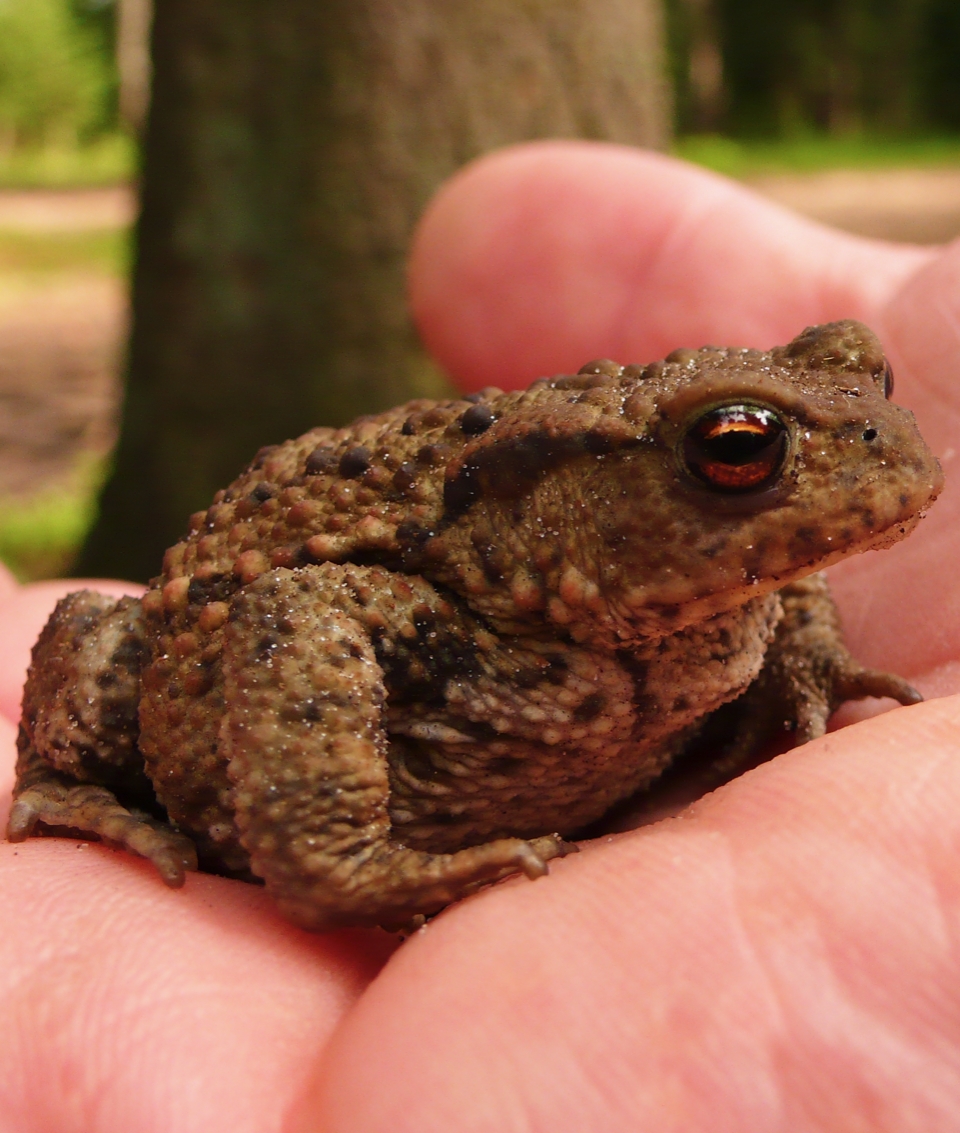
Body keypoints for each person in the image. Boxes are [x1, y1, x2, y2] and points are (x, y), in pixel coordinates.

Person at [1, 140, 958, 1132]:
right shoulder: (467, 608)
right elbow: (299, 610)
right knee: (96, 642)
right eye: (741, 450)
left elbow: (780, 570)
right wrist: (336, 853)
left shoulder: (717, 584)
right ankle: (67, 783)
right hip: (216, 700)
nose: (876, 441)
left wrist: (807, 658)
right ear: (584, 501)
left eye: (870, 388)